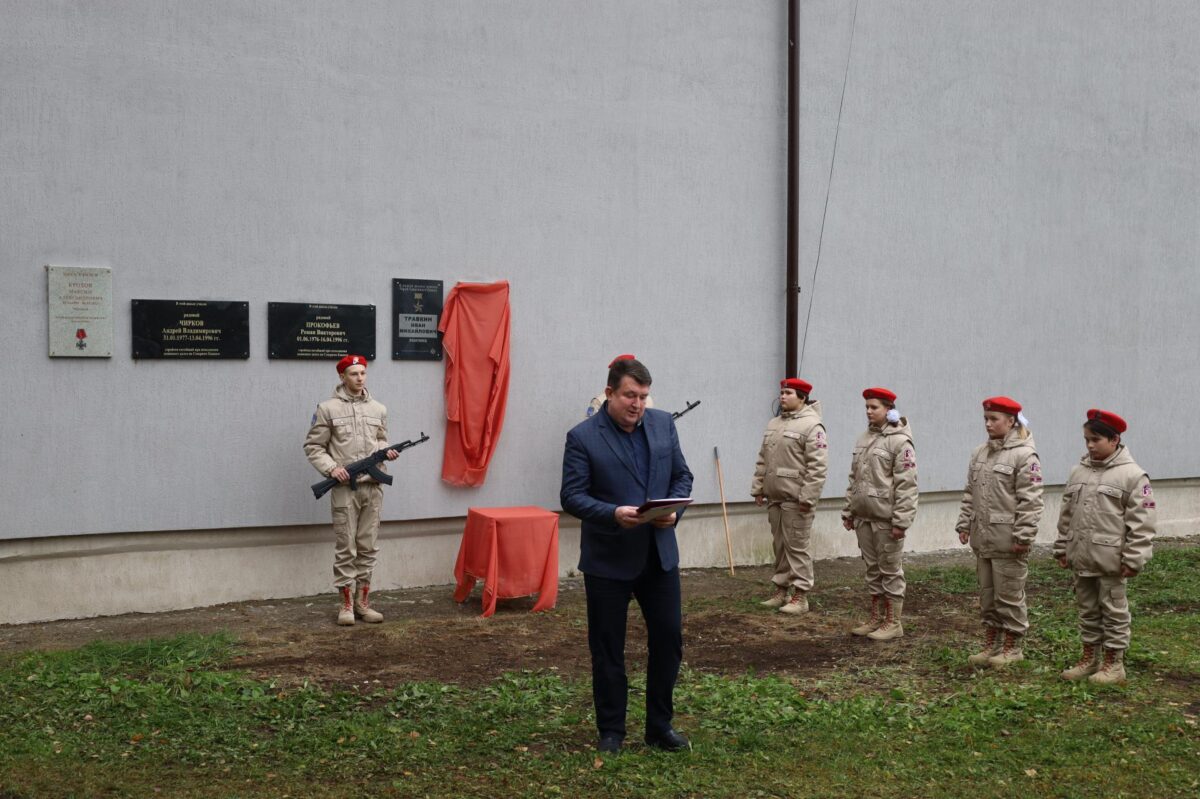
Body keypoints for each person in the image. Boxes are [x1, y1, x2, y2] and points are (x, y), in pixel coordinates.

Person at [560, 357, 694, 754]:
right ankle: (612, 731)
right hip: (608, 559)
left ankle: (659, 727)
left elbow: (682, 476)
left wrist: (674, 513)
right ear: (609, 393)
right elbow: (571, 496)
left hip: (658, 555)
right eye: (630, 396)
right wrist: (613, 514)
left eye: (643, 396)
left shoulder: (663, 424)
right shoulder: (583, 437)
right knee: (607, 648)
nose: (637, 404)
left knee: (668, 640)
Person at [1053, 409, 1156, 684]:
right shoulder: (1078, 472)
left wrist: (1134, 558)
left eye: (1096, 439)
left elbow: (1142, 523)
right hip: (1081, 556)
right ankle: (1090, 659)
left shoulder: (1133, 476)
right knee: (1087, 610)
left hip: (1111, 560)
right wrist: (1062, 547)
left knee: (1113, 611)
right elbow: (1066, 515)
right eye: (1086, 439)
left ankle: (1114, 664)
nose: (1089, 445)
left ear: (1114, 440)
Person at [304, 355, 399, 626]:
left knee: (368, 546)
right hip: (345, 489)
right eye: (354, 374)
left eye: (363, 373)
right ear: (342, 377)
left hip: (373, 488)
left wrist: (387, 452)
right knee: (346, 547)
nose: (360, 378)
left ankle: (363, 603)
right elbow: (313, 446)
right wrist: (332, 468)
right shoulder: (327, 409)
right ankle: (345, 605)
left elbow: (380, 440)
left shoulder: (378, 409)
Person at [955, 396, 1044, 667]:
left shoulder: (1024, 456)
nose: (988, 424)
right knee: (988, 595)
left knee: (1009, 595)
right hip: (983, 539)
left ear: (1011, 421)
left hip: (1008, 541)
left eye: (994, 419)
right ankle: (992, 643)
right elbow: (970, 493)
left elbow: (1031, 500)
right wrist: (964, 523)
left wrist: (1024, 535)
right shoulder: (979, 453)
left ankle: (1012, 646)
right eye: (986, 418)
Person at [841, 387, 918, 640]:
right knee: (873, 570)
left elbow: (907, 485)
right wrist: (849, 510)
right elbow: (854, 478)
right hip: (864, 517)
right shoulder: (864, 438)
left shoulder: (900, 442)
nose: (869, 411)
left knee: (890, 570)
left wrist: (901, 521)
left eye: (874, 407)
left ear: (889, 409)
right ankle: (877, 618)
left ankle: (893, 622)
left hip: (886, 519)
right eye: (867, 407)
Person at [750, 377, 829, 615]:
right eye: (782, 392)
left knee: (797, 547)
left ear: (802, 398)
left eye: (789, 393)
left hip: (797, 500)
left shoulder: (812, 426)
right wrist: (758, 487)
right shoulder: (774, 423)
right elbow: (763, 458)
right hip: (775, 497)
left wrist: (808, 498)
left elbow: (817, 467)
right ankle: (781, 590)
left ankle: (801, 596)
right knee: (780, 546)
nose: (782, 396)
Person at [586, 354, 652, 418]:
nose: (637, 405)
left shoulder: (648, 400)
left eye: (642, 397)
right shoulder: (599, 401)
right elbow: (591, 423)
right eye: (630, 395)